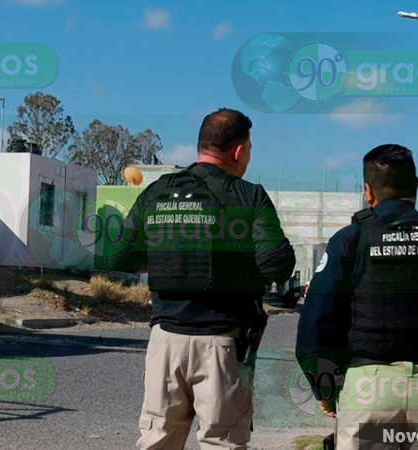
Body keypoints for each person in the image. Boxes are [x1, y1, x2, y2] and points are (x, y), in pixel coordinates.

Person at [112, 108, 296, 449]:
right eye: (249, 150)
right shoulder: (249, 196)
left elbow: (118, 256)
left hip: (164, 341)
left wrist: (169, 259)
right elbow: (277, 266)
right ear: (238, 151)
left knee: (157, 441)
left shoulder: (157, 192)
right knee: (221, 443)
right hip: (222, 344)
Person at [296, 144, 418, 449]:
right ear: (416, 185)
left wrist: (327, 390)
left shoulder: (351, 239)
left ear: (368, 192)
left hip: (367, 388)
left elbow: (316, 323)